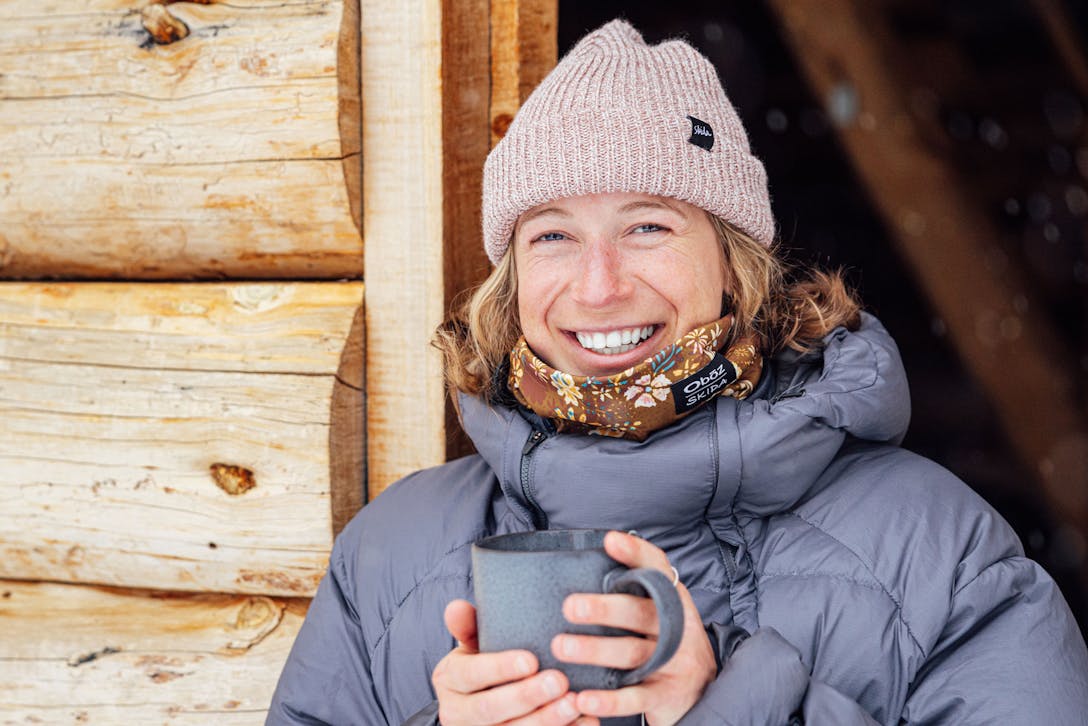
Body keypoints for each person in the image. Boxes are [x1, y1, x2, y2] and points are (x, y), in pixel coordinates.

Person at [267, 19, 1088, 725]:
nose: (599, 285)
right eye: (552, 235)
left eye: (648, 226)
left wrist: (734, 706)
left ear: (734, 265)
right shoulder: (389, 556)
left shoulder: (937, 550)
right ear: (511, 283)